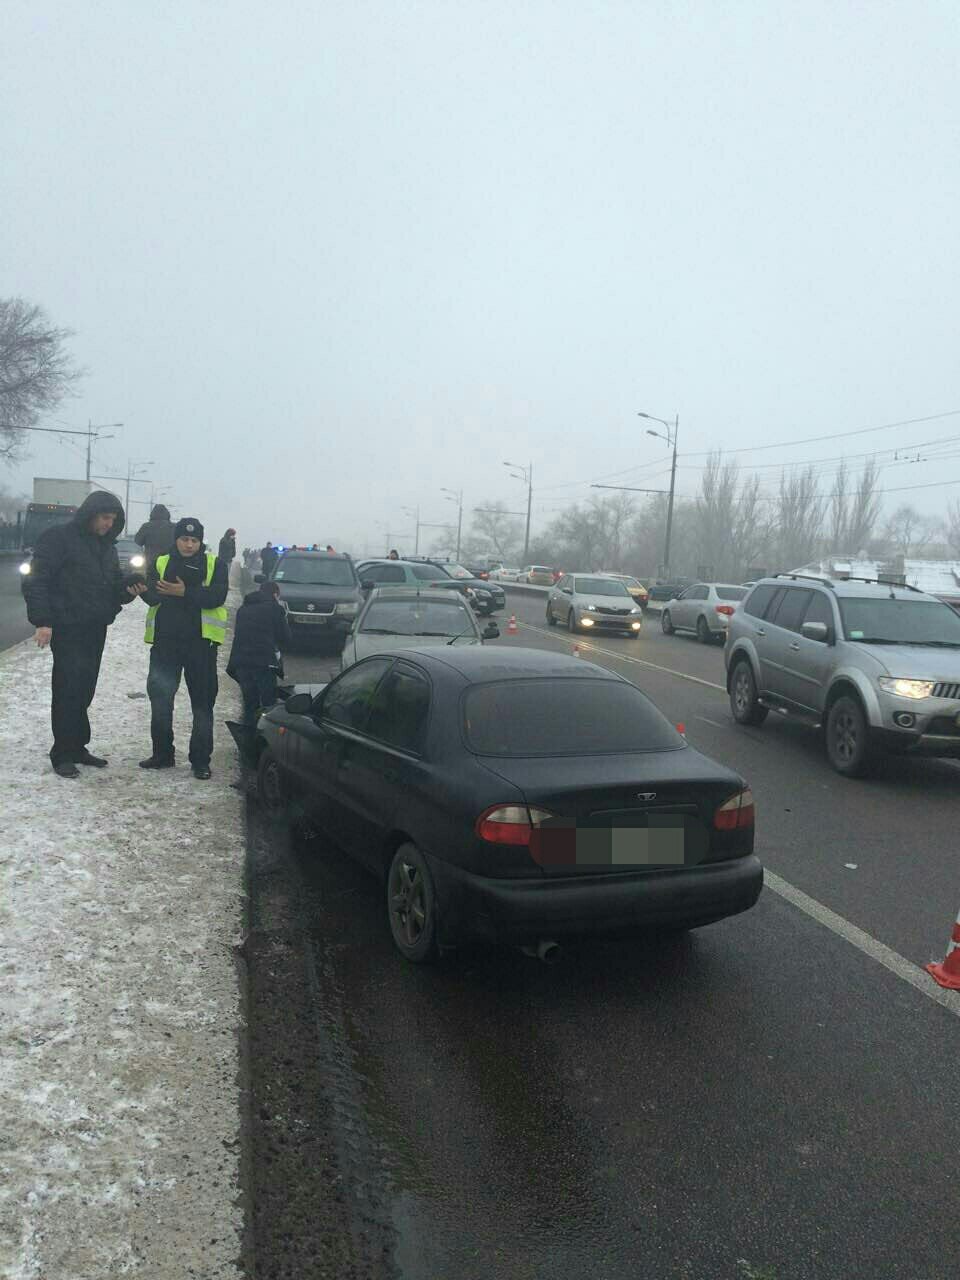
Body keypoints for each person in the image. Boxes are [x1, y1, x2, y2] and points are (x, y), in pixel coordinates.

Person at [21, 491, 146, 778]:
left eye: (113, 520)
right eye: (104, 518)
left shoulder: (107, 547)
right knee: (67, 688)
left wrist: (128, 589)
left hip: (94, 627)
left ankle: (77, 746)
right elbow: (37, 580)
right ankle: (62, 753)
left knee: (85, 688)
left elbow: (111, 587)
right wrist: (43, 622)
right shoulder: (59, 539)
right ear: (90, 514)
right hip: (67, 626)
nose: (108, 524)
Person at [140, 518, 228, 779]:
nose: (189, 545)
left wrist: (185, 592)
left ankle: (200, 761)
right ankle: (162, 754)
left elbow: (217, 596)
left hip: (201, 646)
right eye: (184, 539)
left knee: (202, 705)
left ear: (200, 542)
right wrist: (140, 589)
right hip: (165, 644)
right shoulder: (161, 562)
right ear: (176, 539)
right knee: (160, 701)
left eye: (194, 540)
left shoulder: (215, 564)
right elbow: (153, 596)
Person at [226, 581, 290, 725]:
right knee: (268, 705)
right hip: (264, 664)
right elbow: (286, 638)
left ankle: (248, 733)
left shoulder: (243, 609)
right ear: (275, 594)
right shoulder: (275, 609)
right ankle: (264, 732)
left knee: (249, 704)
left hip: (241, 663)